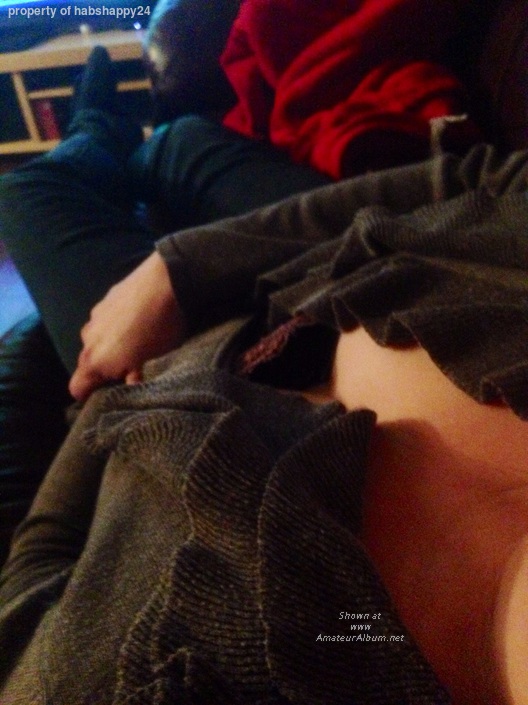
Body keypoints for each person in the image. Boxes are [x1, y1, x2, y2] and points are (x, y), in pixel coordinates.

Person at [1, 47, 528, 705]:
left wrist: (109, 400)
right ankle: (125, 141)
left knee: (31, 189)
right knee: (181, 144)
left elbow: (27, 610)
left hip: (163, 373)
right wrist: (181, 268)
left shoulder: (182, 671)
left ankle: (92, 129)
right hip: (335, 257)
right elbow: (495, 183)